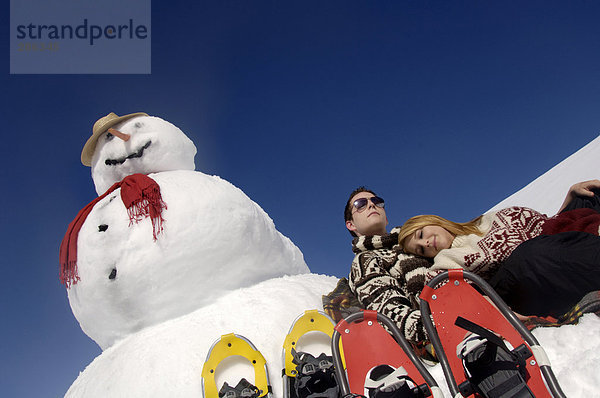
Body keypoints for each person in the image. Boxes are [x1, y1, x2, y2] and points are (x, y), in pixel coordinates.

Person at [398, 180, 600, 318]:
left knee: (588, 196)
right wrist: (507, 315)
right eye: (420, 250)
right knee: (529, 257)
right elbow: (462, 299)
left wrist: (571, 195)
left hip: (559, 250)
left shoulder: (485, 221)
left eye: (421, 235)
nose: (425, 244)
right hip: (532, 281)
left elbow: (548, 225)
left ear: (432, 221)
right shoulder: (444, 263)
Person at [344, 187, 433, 344]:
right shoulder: (364, 261)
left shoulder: (415, 239)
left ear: (386, 219)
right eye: (360, 204)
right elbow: (396, 318)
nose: (371, 205)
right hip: (437, 335)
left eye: (377, 201)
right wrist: (447, 321)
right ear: (351, 225)